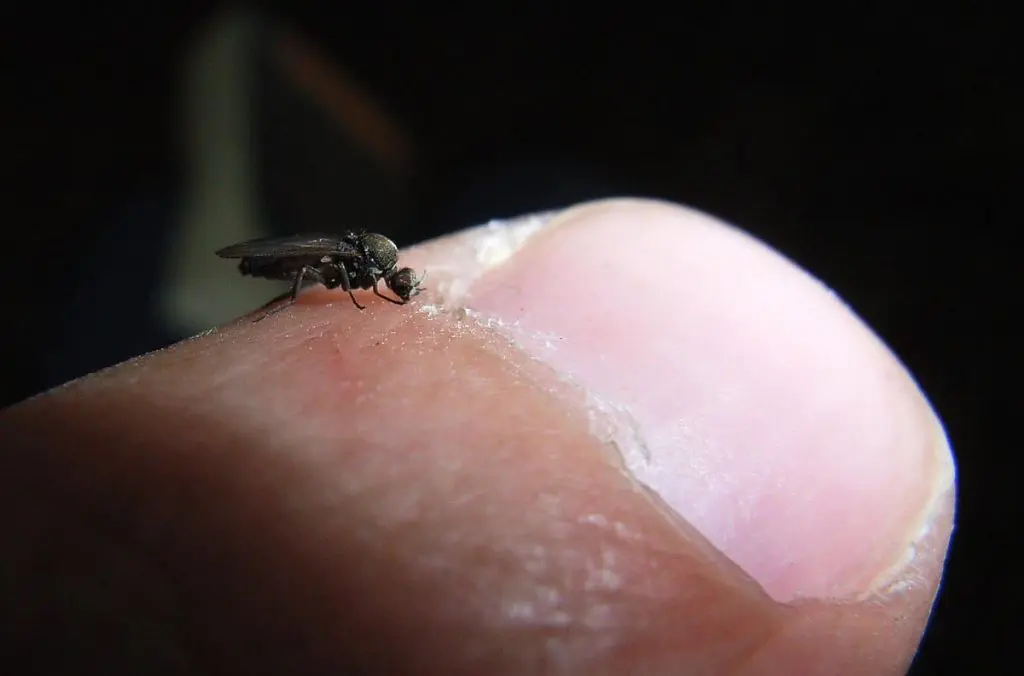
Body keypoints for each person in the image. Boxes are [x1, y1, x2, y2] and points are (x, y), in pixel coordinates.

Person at [0, 199, 956, 674]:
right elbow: (332, 270)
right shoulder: (361, 269)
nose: (394, 291)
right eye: (392, 285)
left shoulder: (377, 269)